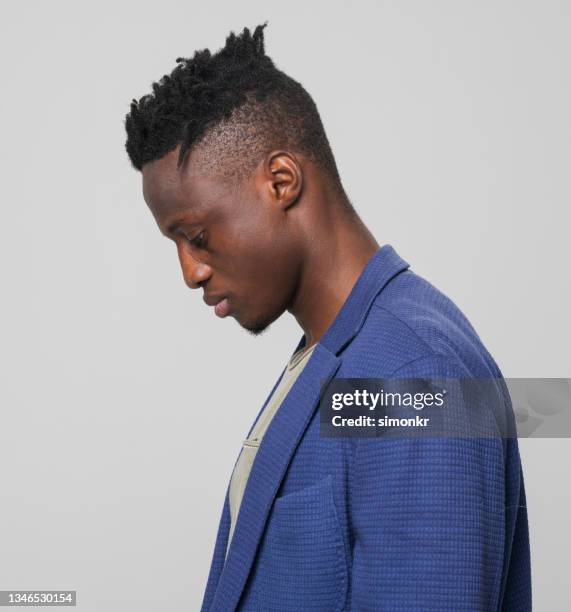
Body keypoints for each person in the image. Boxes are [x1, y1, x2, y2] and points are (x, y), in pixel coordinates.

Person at [124, 22, 531, 612]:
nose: (190, 271)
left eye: (198, 236)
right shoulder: (335, 352)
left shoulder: (416, 371)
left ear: (281, 182)